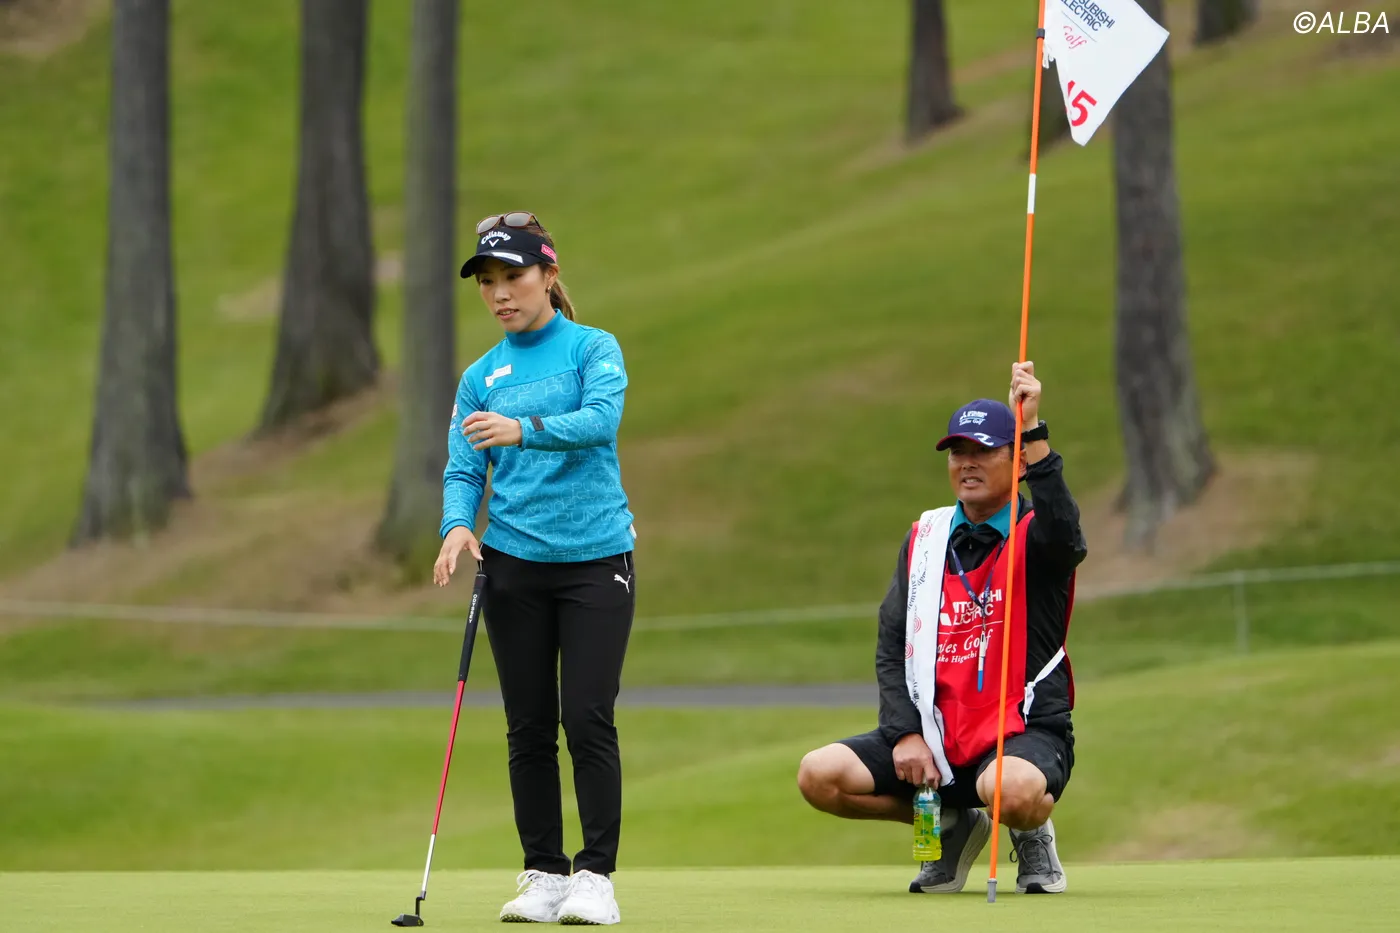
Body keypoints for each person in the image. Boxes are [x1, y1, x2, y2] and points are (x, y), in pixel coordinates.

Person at [795, 362, 1086, 896]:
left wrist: (1033, 430)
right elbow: (892, 644)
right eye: (957, 452)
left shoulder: (1039, 535)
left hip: (1021, 731)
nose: (967, 463)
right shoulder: (926, 537)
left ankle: (1029, 832)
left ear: (1017, 461)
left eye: (984, 451)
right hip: (935, 733)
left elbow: (1069, 538)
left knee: (1010, 790)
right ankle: (955, 825)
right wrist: (905, 732)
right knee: (819, 775)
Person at [434, 211, 636, 925]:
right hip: (512, 566)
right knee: (528, 726)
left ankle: (596, 876)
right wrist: (457, 524)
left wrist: (523, 430)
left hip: (595, 561)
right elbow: (464, 468)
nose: (499, 293)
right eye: (487, 281)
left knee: (587, 715)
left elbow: (600, 420)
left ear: (548, 275)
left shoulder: (592, 347)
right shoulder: (479, 376)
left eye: (513, 276)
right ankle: (544, 872)